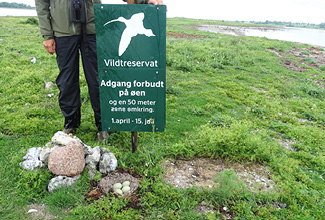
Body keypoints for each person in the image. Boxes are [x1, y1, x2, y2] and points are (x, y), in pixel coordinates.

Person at [35, 0, 164, 141]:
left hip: (93, 28)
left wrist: (144, 0)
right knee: (67, 81)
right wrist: (47, 35)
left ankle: (104, 124)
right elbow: (41, 3)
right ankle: (70, 123)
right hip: (63, 31)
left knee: (98, 79)